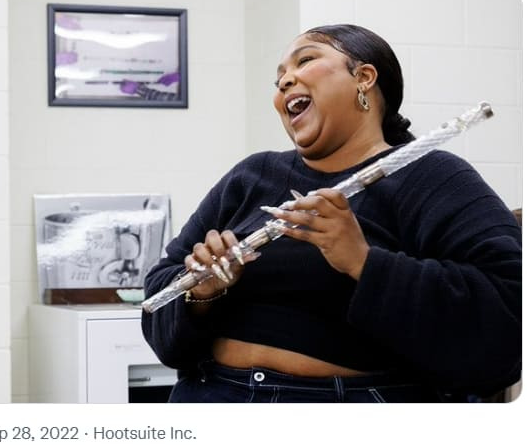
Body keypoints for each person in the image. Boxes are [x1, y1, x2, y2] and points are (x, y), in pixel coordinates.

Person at [141, 24, 522, 402]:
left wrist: (363, 261)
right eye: (278, 81)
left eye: (305, 60)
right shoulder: (252, 174)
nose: (285, 82)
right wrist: (201, 291)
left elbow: (509, 314)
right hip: (211, 396)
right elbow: (160, 287)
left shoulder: (432, 174)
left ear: (364, 77)